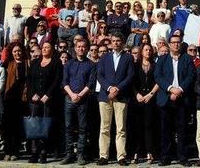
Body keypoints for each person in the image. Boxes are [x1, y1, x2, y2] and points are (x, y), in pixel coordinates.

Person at [154, 34, 196, 166]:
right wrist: (171, 89)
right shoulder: (162, 59)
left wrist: (180, 90)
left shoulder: (187, 59)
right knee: (165, 130)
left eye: (178, 42)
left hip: (182, 99)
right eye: (173, 42)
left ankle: (183, 158)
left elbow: (191, 76)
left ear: (181, 43)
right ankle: (165, 157)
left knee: (182, 130)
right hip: (166, 99)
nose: (175, 45)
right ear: (169, 44)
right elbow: (158, 76)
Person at [96, 32, 134, 166]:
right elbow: (99, 75)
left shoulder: (128, 58)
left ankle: (121, 156)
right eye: (114, 41)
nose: (116, 43)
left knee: (121, 128)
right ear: (111, 42)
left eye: (119, 41)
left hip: (121, 96)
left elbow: (130, 76)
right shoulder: (104, 57)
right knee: (104, 128)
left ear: (122, 42)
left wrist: (117, 89)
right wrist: (109, 88)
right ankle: (103, 156)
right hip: (105, 96)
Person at [60, 39, 96, 165]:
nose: (81, 49)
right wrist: (72, 94)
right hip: (69, 98)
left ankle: (81, 154)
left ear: (86, 49)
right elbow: (64, 82)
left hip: (83, 100)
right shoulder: (69, 64)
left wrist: (79, 95)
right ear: (75, 48)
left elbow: (90, 83)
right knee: (68, 127)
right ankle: (69, 154)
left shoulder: (91, 65)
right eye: (78, 46)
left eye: (83, 47)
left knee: (82, 128)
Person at [27, 42, 62, 164]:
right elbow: (29, 80)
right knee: (34, 126)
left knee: (45, 126)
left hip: (48, 100)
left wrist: (48, 95)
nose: (45, 49)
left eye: (48, 47)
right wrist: (33, 94)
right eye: (43, 47)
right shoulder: (35, 62)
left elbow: (57, 80)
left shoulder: (56, 63)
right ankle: (34, 152)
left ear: (52, 50)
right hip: (35, 101)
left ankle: (43, 152)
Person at [130, 43, 159, 164]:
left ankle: (149, 152)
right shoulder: (135, 66)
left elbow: (159, 80)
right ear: (141, 52)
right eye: (146, 50)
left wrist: (151, 94)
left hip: (151, 99)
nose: (148, 52)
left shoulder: (155, 65)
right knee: (137, 126)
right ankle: (136, 152)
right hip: (138, 99)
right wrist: (136, 94)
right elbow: (131, 82)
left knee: (149, 126)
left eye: (150, 50)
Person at [2, 42, 29, 161]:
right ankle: (7, 150)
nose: (17, 53)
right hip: (9, 98)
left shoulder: (27, 63)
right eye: (15, 52)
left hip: (22, 98)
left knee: (17, 127)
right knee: (8, 127)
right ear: (11, 53)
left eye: (19, 51)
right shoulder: (7, 64)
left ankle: (15, 151)